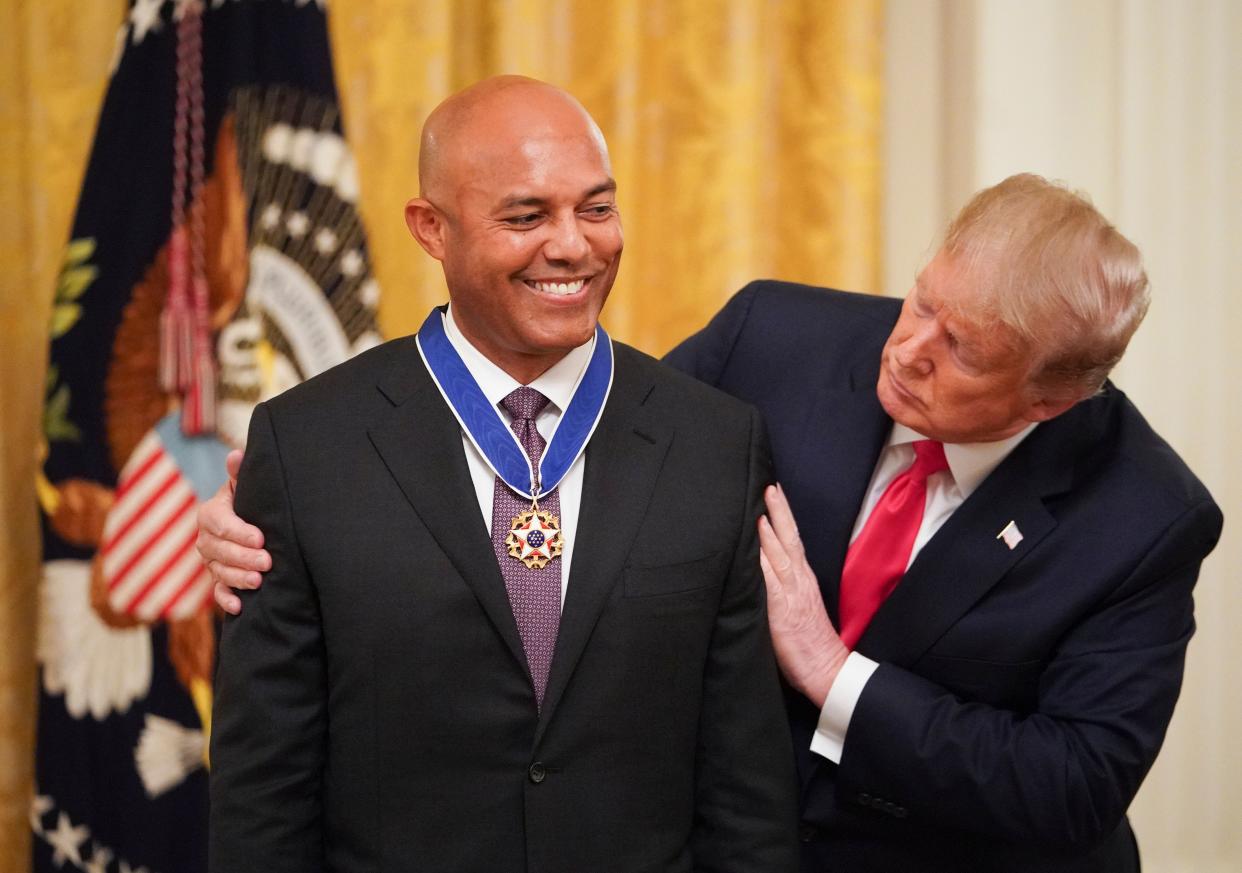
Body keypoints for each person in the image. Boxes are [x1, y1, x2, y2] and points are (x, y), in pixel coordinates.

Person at [202, 168, 1222, 868]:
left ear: (1052, 399)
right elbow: (578, 469)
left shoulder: (1145, 516)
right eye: (922, 303)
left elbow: (1071, 785)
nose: (909, 350)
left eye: (964, 352)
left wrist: (834, 677)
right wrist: (308, 505)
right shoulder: (776, 336)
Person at [206, 75, 797, 873]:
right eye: (526, 216)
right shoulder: (309, 446)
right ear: (431, 228)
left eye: (595, 208)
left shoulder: (714, 443)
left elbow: (746, 793)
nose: (573, 246)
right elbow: (262, 798)